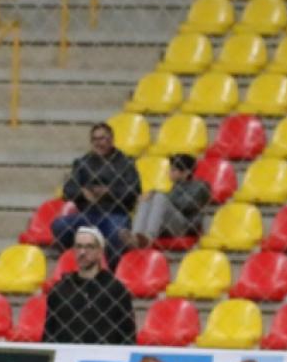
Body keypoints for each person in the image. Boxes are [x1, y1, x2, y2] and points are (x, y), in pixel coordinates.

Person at [52, 123, 140, 266]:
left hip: (115, 214)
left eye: (102, 138)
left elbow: (134, 190)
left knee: (117, 233)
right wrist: (83, 193)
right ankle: (73, 262)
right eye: (95, 139)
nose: (98, 143)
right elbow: (68, 190)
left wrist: (108, 192)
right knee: (59, 225)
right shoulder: (82, 162)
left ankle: (112, 270)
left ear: (111, 140)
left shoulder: (126, 162)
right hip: (88, 215)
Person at [43, 226, 136, 345]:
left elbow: (128, 336)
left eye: (89, 247)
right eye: (79, 246)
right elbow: (48, 335)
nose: (82, 252)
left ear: (100, 252)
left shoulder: (116, 290)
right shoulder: (60, 290)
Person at [129, 153, 212, 249]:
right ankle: (136, 236)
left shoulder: (200, 187)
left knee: (159, 197)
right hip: (168, 225)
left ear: (186, 173)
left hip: (184, 226)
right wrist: (152, 195)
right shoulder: (174, 187)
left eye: (173, 170)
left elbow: (185, 205)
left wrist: (159, 195)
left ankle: (148, 237)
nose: (169, 172)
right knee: (147, 198)